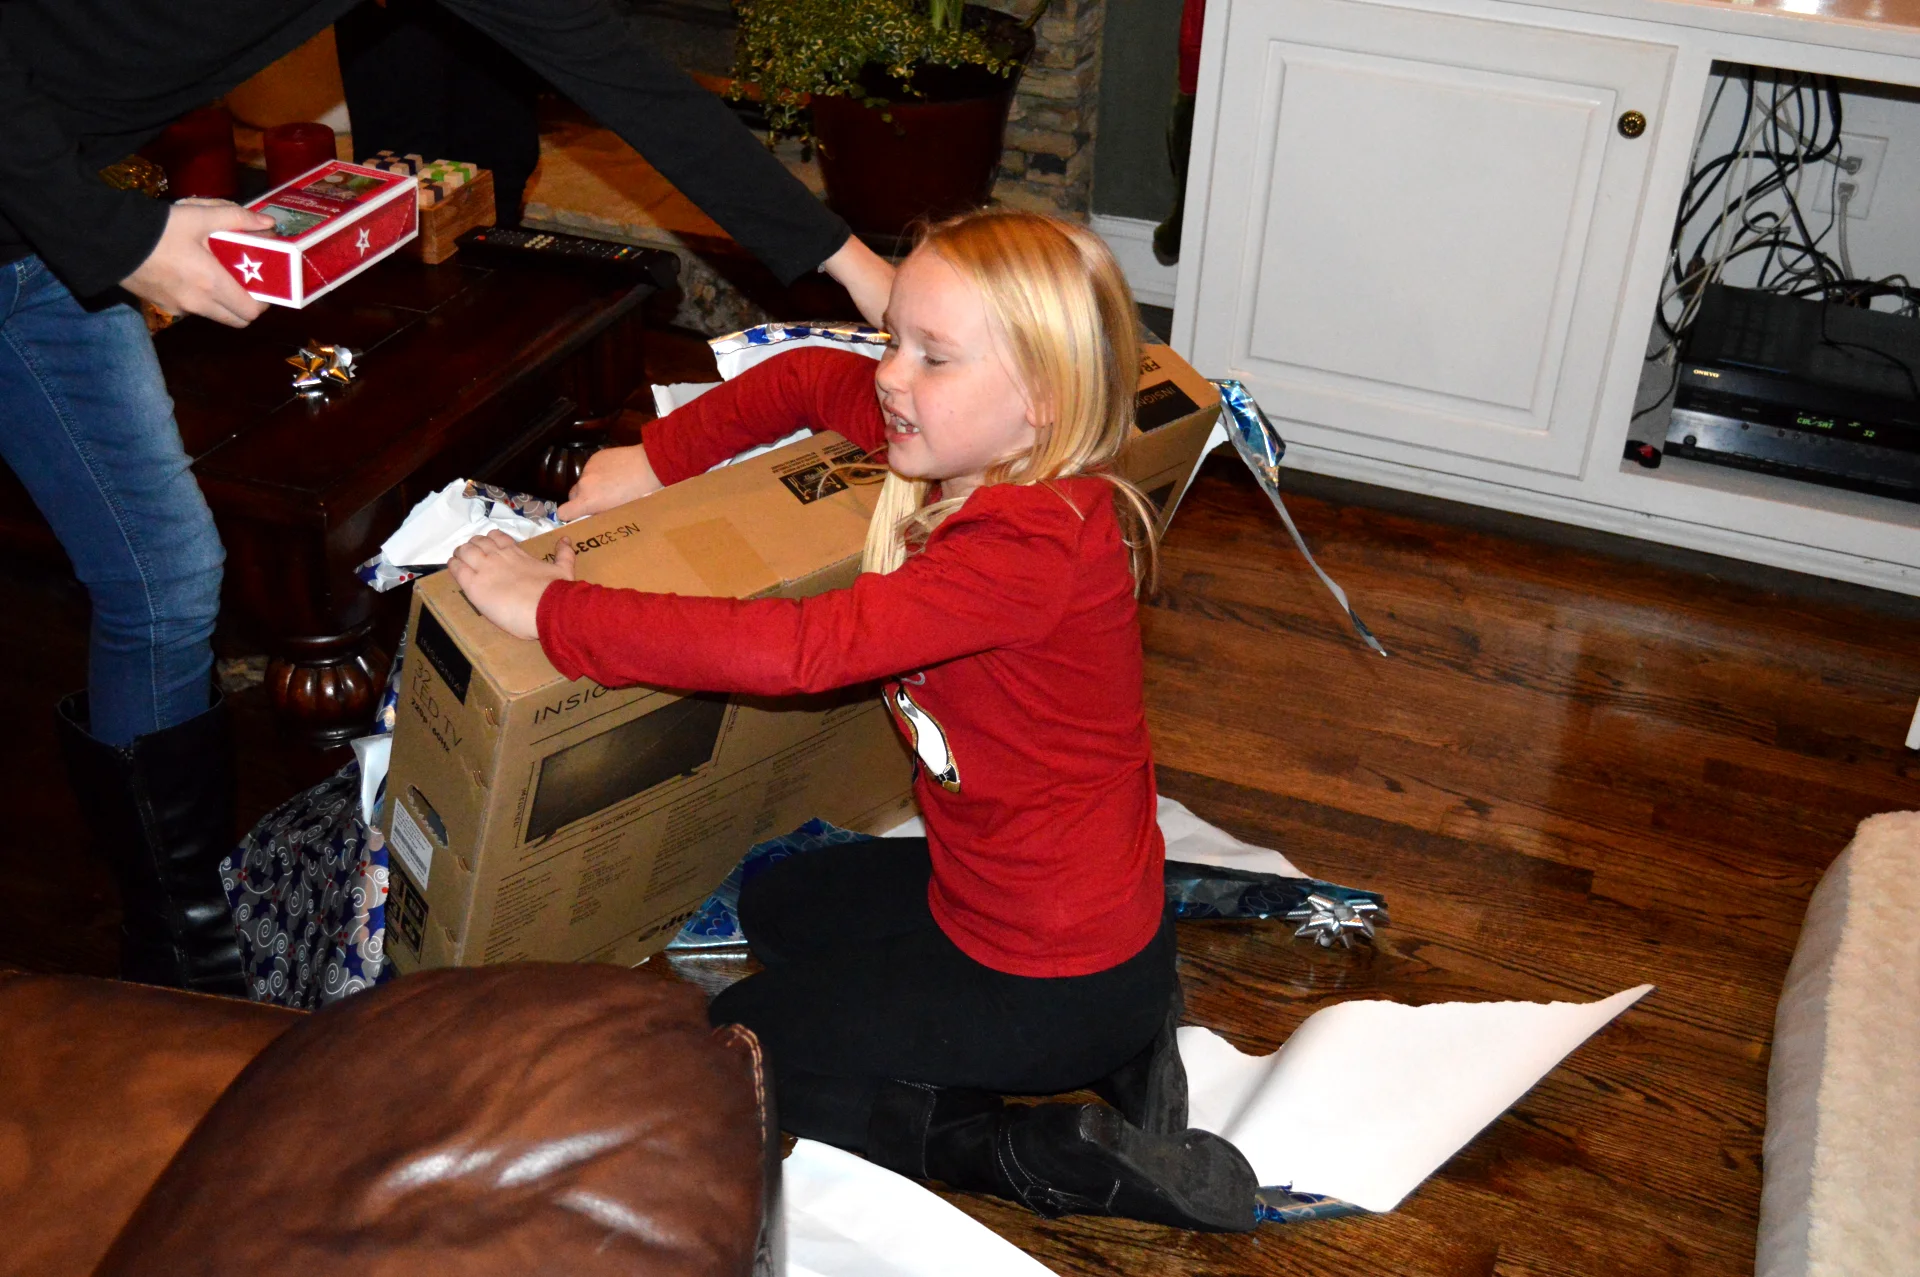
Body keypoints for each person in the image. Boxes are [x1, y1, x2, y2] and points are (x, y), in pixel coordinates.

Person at [0, 0, 893, 996]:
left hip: (34, 240)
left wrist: (857, 267)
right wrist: (119, 237)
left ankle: (181, 954)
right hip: (61, 219)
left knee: (165, 576)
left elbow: (612, 64)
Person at [447, 209, 1259, 1231]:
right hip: (1031, 905)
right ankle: (1127, 1036)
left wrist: (553, 611)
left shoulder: (1027, 550)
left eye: (932, 355)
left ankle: (1012, 1145)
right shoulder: (978, 446)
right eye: (893, 338)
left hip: (1050, 970)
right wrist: (653, 459)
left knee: (737, 1042)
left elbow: (798, 651)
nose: (888, 375)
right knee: (783, 903)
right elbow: (802, 379)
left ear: (1041, 400)